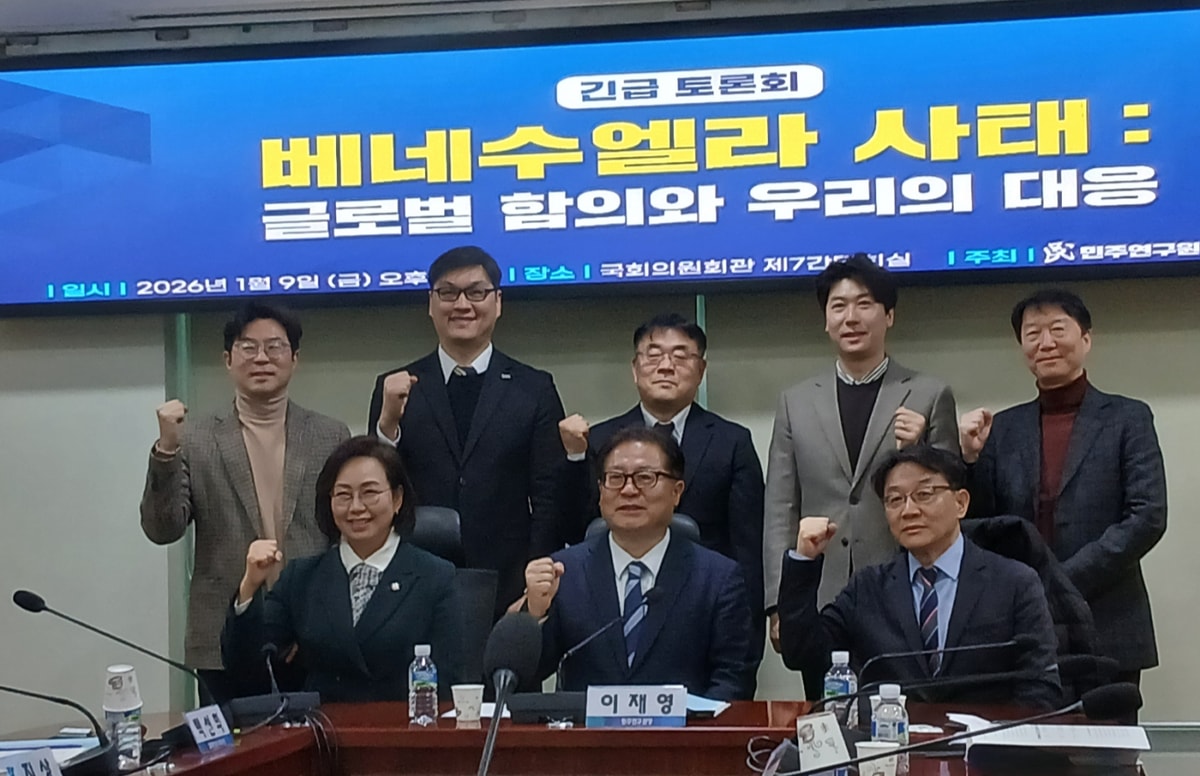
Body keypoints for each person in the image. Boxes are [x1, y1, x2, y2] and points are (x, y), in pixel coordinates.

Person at [959, 288, 1167, 697]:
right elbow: (982, 522)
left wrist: (1063, 581)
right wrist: (969, 459)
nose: (1046, 342)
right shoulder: (1003, 428)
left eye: (1058, 329)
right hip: (1022, 626)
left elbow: (1147, 516)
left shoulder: (1129, 417)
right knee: (1024, 737)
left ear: (1086, 339)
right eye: (1032, 333)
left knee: (1108, 738)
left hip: (1109, 619)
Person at [140, 302, 349, 704]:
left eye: (275, 347)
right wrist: (166, 450)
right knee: (225, 744)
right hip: (222, 635)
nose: (262, 358)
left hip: (309, 637)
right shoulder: (195, 438)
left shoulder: (329, 434)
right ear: (228, 359)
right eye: (248, 347)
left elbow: (343, 536)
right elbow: (162, 529)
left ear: (295, 359)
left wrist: (323, 621)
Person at [763, 254, 958, 652]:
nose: (850, 318)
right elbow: (780, 507)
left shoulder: (929, 394)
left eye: (864, 304)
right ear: (826, 320)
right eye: (838, 306)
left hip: (906, 590)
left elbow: (951, 495)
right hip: (819, 595)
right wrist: (780, 601)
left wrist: (920, 449)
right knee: (823, 693)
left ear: (889, 316)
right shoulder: (795, 402)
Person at [778, 445, 1061, 709]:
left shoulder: (1015, 582)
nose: (909, 511)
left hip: (985, 742)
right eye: (895, 500)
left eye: (924, 495)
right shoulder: (868, 588)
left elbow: (1041, 687)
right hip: (889, 739)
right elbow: (804, 654)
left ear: (961, 503)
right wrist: (804, 560)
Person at [367, 246, 566, 617]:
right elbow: (380, 487)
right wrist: (387, 426)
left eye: (476, 292)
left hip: (507, 583)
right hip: (415, 581)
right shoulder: (395, 387)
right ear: (431, 303)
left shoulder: (534, 388)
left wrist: (535, 584)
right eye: (447, 292)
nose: (462, 304)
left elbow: (548, 498)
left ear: (498, 302)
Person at [558, 313, 765, 658]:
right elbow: (577, 530)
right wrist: (575, 458)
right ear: (635, 369)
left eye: (681, 356)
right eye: (653, 355)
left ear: (701, 370)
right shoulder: (600, 440)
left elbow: (748, 547)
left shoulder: (732, 442)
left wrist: (748, 634)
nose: (666, 366)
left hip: (703, 614)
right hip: (612, 618)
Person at [524, 426, 758, 701]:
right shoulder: (564, 572)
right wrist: (533, 615)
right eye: (616, 478)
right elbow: (525, 673)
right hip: (585, 728)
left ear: (676, 492)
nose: (629, 490)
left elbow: (734, 681)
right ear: (600, 491)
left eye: (645, 478)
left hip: (684, 728)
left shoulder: (718, 578)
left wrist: (689, 722)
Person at [222, 436, 460, 702]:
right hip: (321, 724)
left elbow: (451, 679)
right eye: (344, 495)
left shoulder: (436, 577)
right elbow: (247, 670)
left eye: (369, 493)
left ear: (397, 499)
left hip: (403, 724)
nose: (356, 507)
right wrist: (249, 586)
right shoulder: (301, 578)